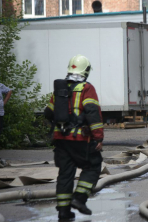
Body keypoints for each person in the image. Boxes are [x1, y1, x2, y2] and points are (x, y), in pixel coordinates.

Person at [44, 55, 104, 220]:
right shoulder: (86, 88)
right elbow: (92, 112)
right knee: (93, 165)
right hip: (79, 140)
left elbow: (48, 112)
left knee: (65, 174)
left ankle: (63, 212)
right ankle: (79, 198)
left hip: (60, 141)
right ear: (86, 71)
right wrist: (98, 138)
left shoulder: (60, 89)